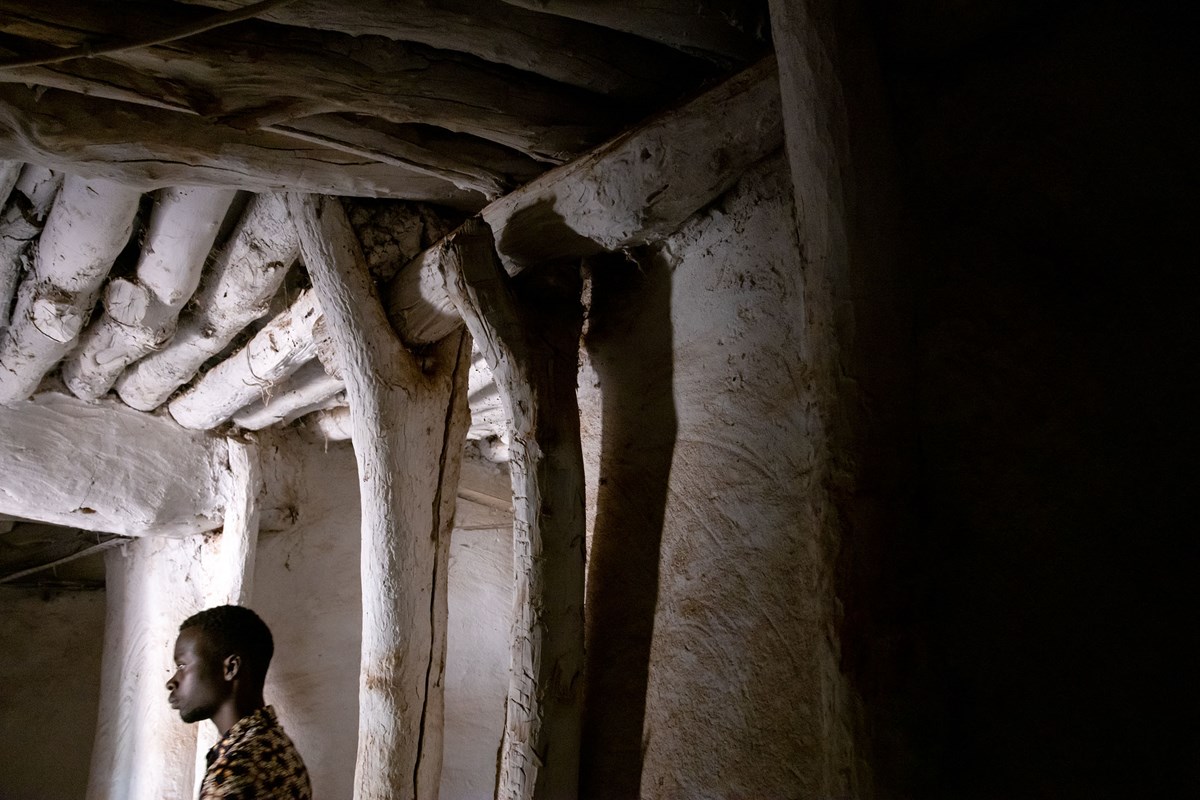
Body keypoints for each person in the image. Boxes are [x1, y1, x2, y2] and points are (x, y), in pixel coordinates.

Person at [166, 605, 312, 800]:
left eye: (182, 665)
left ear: (230, 668)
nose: (171, 682)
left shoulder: (231, 776)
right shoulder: (278, 744)